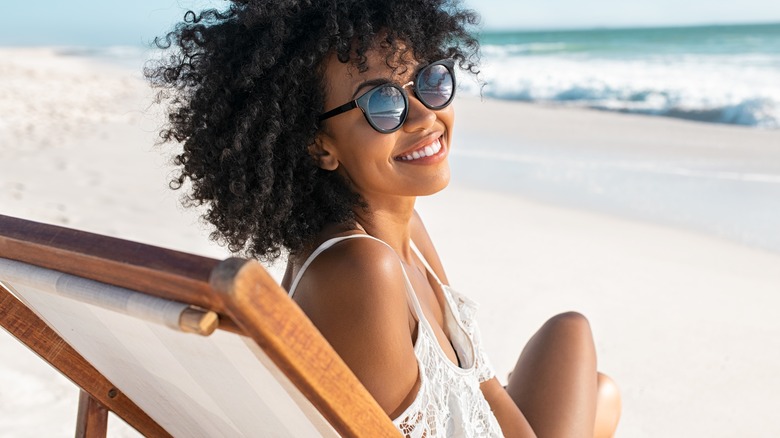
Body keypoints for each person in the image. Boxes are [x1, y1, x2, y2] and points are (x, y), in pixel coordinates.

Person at [147, 0, 621, 436]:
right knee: (594, 393)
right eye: (382, 103)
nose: (422, 117)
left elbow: (484, 386)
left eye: (429, 83)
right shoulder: (360, 269)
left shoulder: (403, 228)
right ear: (320, 144)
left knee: (579, 352)